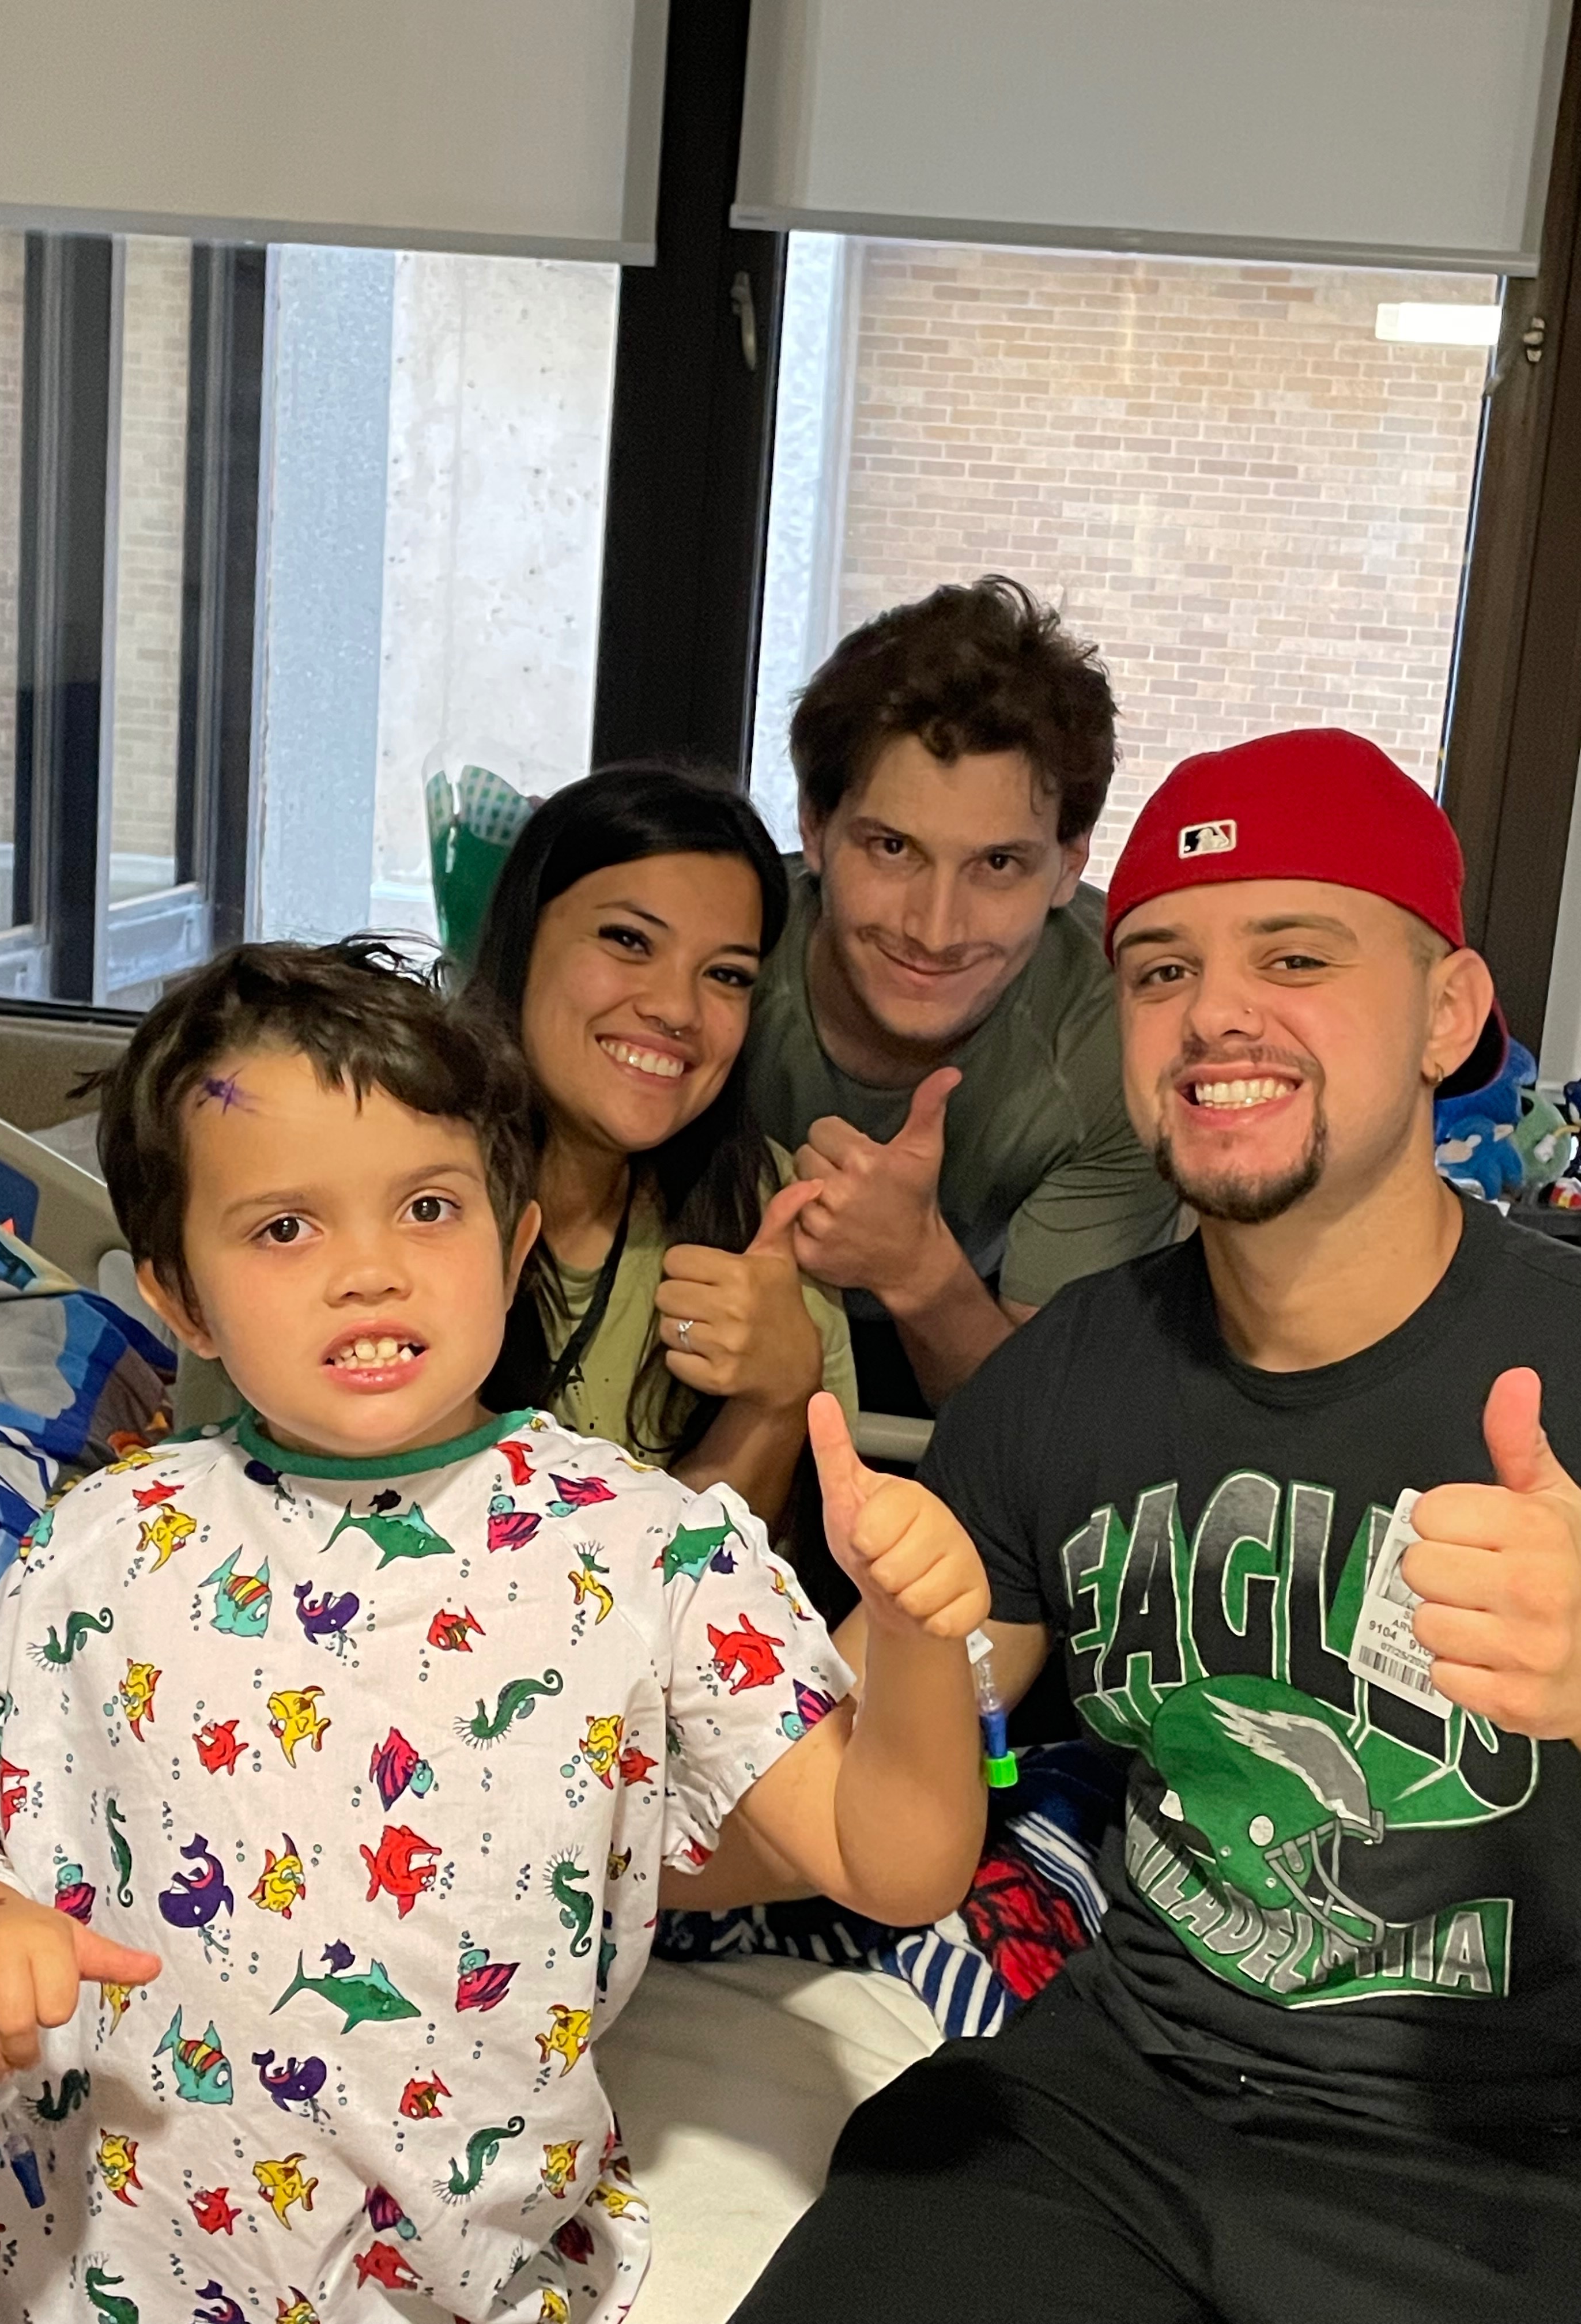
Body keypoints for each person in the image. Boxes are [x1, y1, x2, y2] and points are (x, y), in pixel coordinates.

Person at [0, 939, 990, 2324]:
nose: (369, 1271)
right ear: (180, 1297)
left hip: (448, 2283)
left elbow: (897, 1865)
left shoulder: (645, 1552)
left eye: (426, 1207)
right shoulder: (102, 1544)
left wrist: (918, 1639)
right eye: (285, 1228)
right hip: (73, 2260)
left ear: (512, 1247)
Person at [733, 728, 1581, 2324]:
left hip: (1508, 2168)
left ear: (1450, 1013)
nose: (1216, 1016)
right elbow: (846, 1774)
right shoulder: (1060, 1379)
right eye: (1162, 969)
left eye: (1297, 956)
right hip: (1112, 2113)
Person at [748, 575, 1179, 1414]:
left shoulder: (1128, 1037)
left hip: (979, 1356)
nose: (936, 929)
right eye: (893, 848)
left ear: (1070, 865)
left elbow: (1046, 1431)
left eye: (998, 864)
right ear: (814, 828)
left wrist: (913, 1265)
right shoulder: (721, 954)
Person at [470, 765, 855, 1544]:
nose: (677, 1008)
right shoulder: (391, 1180)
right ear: (525, 934)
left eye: (726, 975)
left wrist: (779, 1399)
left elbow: (721, 1583)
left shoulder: (764, 1209)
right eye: (628, 940)